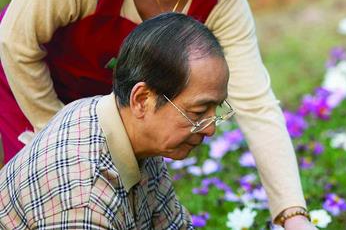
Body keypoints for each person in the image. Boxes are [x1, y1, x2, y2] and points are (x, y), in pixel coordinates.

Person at [0, 0, 314, 228]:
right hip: (32, 88)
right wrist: (65, 141)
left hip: (124, 108)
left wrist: (293, 216)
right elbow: (16, 44)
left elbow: (257, 105)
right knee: (55, 201)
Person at [0, 13, 230, 229]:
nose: (210, 129)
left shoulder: (129, 130)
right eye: (199, 112)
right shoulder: (83, 199)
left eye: (216, 108)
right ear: (142, 99)